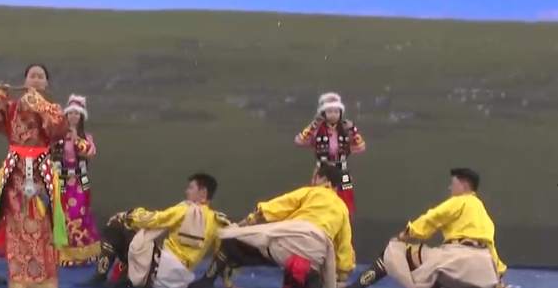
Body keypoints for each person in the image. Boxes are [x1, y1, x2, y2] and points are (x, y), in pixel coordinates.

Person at [0, 63, 70, 288]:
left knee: (44, 224)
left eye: (40, 76)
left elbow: (59, 130)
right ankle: (19, 281)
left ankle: (45, 282)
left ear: (46, 84)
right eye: (32, 76)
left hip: (42, 173)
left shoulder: (52, 109)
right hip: (15, 172)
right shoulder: (12, 108)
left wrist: (38, 104)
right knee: (16, 224)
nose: (36, 80)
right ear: (24, 81)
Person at [188, 163, 355, 288]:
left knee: (230, 239)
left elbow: (278, 206)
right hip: (313, 258)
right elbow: (344, 246)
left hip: (287, 245)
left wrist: (246, 222)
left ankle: (207, 281)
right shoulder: (342, 209)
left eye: (315, 177)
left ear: (323, 180)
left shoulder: (312, 192)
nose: (313, 180)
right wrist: (342, 276)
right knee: (305, 273)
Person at [346, 168, 507, 288]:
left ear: (464, 186)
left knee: (393, 252)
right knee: (438, 274)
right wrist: (498, 278)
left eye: (453, 184)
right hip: (484, 271)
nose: (450, 189)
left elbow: (432, 218)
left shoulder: (461, 201)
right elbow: (490, 248)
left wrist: (404, 235)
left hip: (457, 261)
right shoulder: (484, 215)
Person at [79, 173, 231, 288]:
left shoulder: (184, 210)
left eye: (191, 188)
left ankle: (101, 275)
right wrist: (222, 281)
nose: (187, 191)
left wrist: (126, 215)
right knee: (137, 251)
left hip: (160, 270)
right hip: (179, 281)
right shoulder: (217, 221)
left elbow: (153, 219)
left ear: (202, 192)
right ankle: (124, 280)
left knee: (117, 228)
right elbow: (223, 252)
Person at [295, 92, 366, 215]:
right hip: (323, 171)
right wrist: (312, 126)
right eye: (330, 111)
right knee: (319, 202)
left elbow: (360, 148)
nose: (333, 114)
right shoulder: (317, 130)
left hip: (341, 170)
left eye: (336, 111)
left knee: (345, 204)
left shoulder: (346, 130)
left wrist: (354, 131)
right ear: (324, 113)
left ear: (340, 113)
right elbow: (299, 141)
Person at [54, 94, 101, 267]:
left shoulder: (86, 137)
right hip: (62, 181)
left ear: (81, 117)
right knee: (62, 215)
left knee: (80, 213)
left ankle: (84, 253)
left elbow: (89, 153)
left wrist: (76, 139)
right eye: (70, 113)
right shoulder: (57, 137)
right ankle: (65, 254)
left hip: (80, 181)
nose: (73, 116)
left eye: (77, 113)